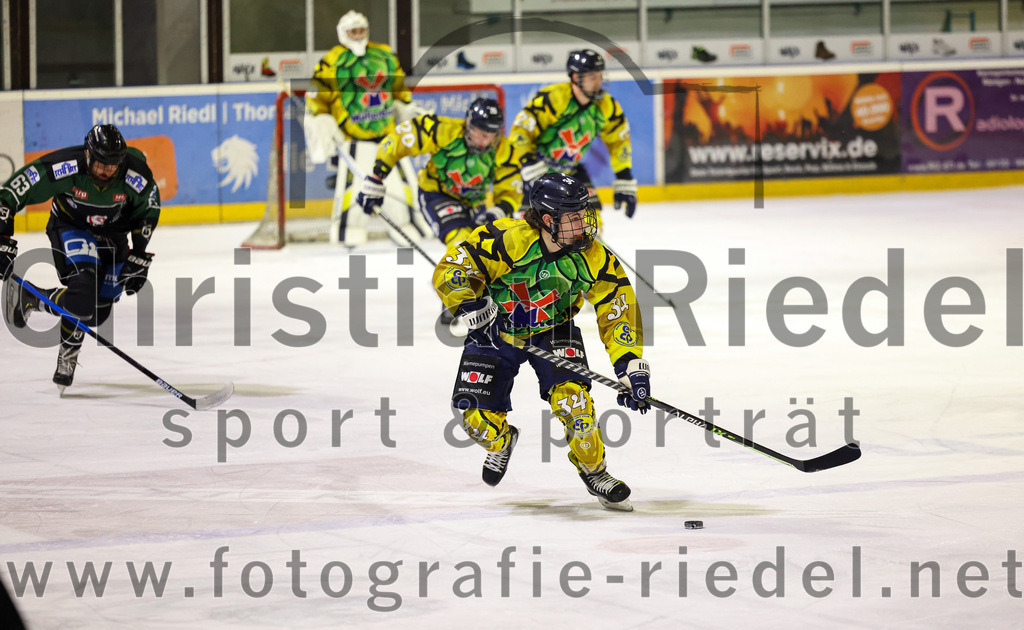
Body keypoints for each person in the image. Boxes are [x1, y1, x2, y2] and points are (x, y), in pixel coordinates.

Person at [431, 172, 651, 512]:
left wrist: (629, 366)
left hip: (555, 328)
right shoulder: (507, 239)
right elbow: (453, 267)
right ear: (548, 220)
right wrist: (469, 304)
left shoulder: (592, 255)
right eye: (575, 217)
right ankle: (501, 443)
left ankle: (596, 472)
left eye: (584, 214)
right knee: (471, 415)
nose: (585, 225)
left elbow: (616, 305)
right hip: (496, 330)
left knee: (575, 404)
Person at [0, 124, 160, 393]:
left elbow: (149, 209)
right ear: (88, 155)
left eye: (113, 165)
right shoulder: (64, 166)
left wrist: (140, 254)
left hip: (114, 234)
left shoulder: (135, 174)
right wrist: (2, 238)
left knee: (98, 312)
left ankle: (33, 298)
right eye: (101, 164)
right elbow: (13, 192)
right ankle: (68, 355)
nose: (107, 171)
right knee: (84, 291)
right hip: (72, 227)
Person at [305, 9, 428, 245]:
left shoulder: (384, 54)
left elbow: (398, 86)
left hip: (387, 133)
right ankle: (350, 231)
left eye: (361, 30)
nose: (358, 35)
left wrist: (405, 106)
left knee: (400, 185)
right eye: (353, 31)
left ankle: (406, 226)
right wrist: (321, 120)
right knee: (353, 189)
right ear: (343, 33)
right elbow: (317, 97)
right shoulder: (331, 61)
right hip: (354, 138)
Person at [357, 97, 522, 247]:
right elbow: (398, 140)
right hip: (436, 194)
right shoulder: (443, 130)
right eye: (481, 132)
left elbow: (511, 190)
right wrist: (376, 178)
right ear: (468, 124)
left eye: (491, 134)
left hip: (474, 203)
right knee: (460, 241)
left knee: (486, 246)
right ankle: (459, 277)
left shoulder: (504, 150)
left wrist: (496, 212)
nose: (485, 140)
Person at [509, 49, 639, 225]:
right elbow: (521, 130)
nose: (598, 82)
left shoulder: (607, 106)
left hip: (569, 171)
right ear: (575, 77)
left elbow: (619, 141)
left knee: (592, 223)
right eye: (592, 77)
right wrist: (528, 161)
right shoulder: (554, 98)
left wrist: (624, 176)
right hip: (535, 174)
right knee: (530, 228)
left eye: (599, 76)